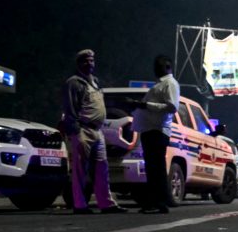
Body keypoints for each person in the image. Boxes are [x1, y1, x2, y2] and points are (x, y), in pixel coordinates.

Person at [60, 49, 126, 214]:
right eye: (85, 61)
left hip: (98, 131)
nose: (89, 64)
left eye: (91, 61)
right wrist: (75, 131)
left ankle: (106, 203)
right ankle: (80, 205)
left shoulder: (95, 82)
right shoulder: (74, 83)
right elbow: (70, 108)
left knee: (102, 168)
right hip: (83, 130)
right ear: (79, 64)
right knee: (80, 170)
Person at [135, 54, 180, 214]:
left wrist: (146, 105)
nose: (155, 69)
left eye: (159, 66)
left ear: (167, 67)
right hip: (150, 130)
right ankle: (155, 200)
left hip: (158, 130)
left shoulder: (170, 84)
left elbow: (172, 107)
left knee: (156, 167)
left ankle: (160, 201)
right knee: (153, 168)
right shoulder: (160, 84)